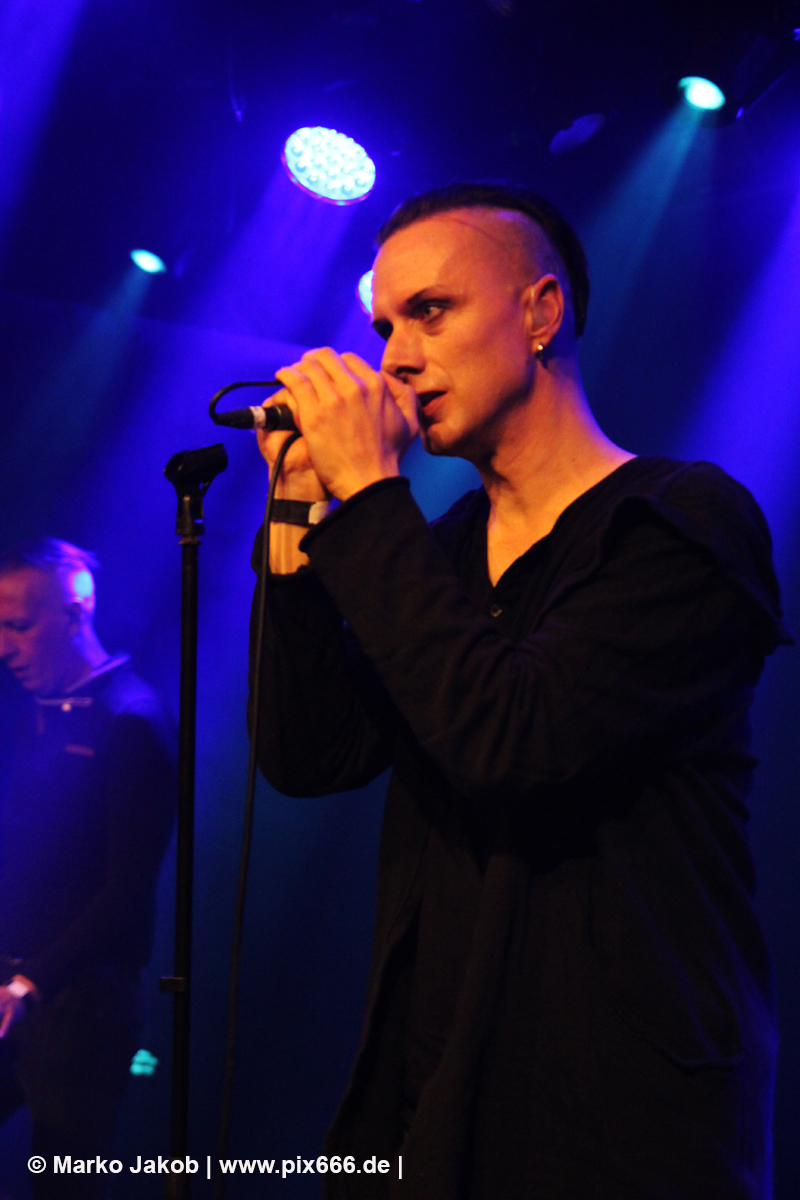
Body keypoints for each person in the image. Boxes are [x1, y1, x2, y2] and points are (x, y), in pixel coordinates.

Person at [250, 183, 792, 1199]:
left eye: (430, 311)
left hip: (615, 1116)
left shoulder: (678, 523)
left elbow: (514, 738)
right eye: (384, 327)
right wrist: (293, 516)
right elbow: (310, 754)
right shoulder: (439, 552)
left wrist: (371, 496)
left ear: (541, 311)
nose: (395, 358)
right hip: (436, 1086)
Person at [0, 539, 175, 1197]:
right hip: (13, 984)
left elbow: (126, 891)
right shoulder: (31, 711)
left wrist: (31, 983)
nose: (4, 647)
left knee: (65, 1182)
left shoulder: (131, 720)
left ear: (75, 614)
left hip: (81, 1004)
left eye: (19, 626)